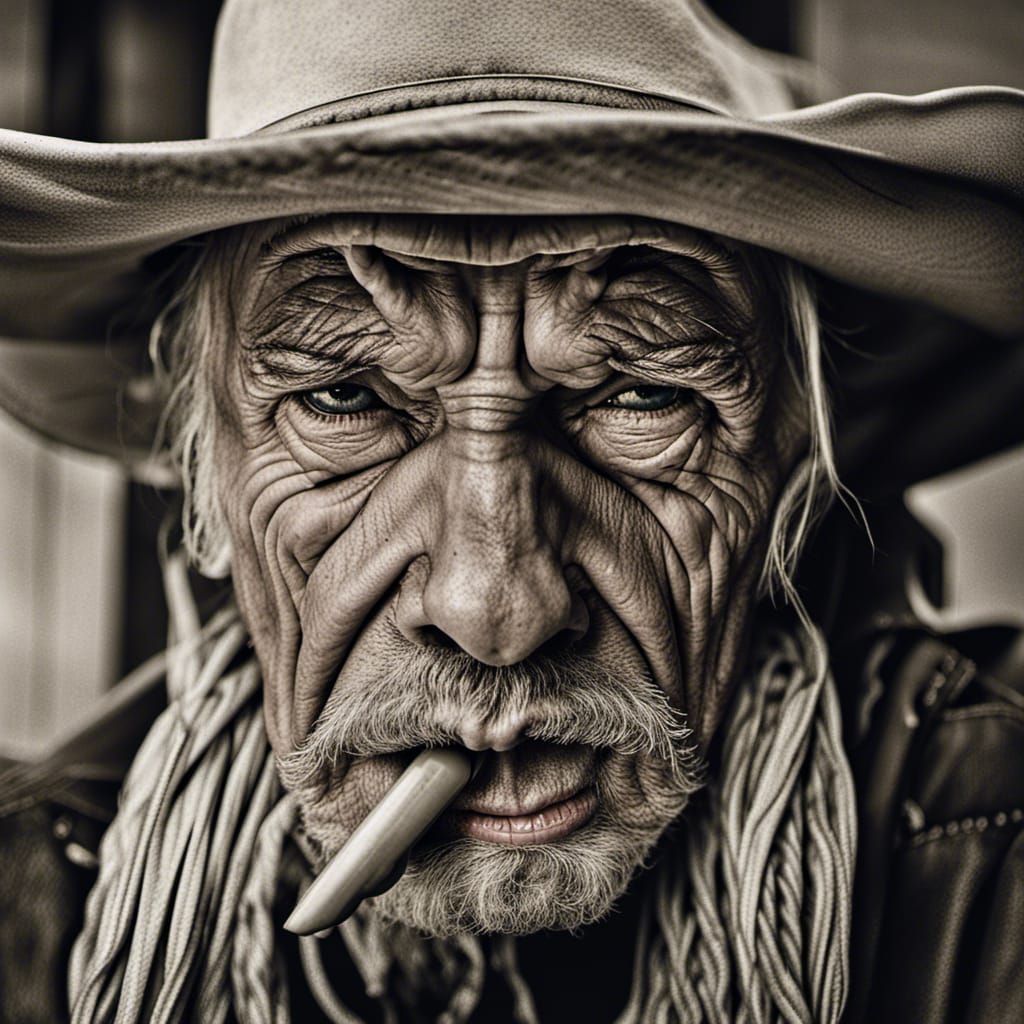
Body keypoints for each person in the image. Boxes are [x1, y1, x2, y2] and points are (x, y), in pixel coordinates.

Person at [0, 1, 1022, 1022]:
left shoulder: (992, 866)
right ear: (203, 468)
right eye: (344, 398)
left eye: (643, 394)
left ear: (794, 458)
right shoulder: (37, 904)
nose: (496, 609)